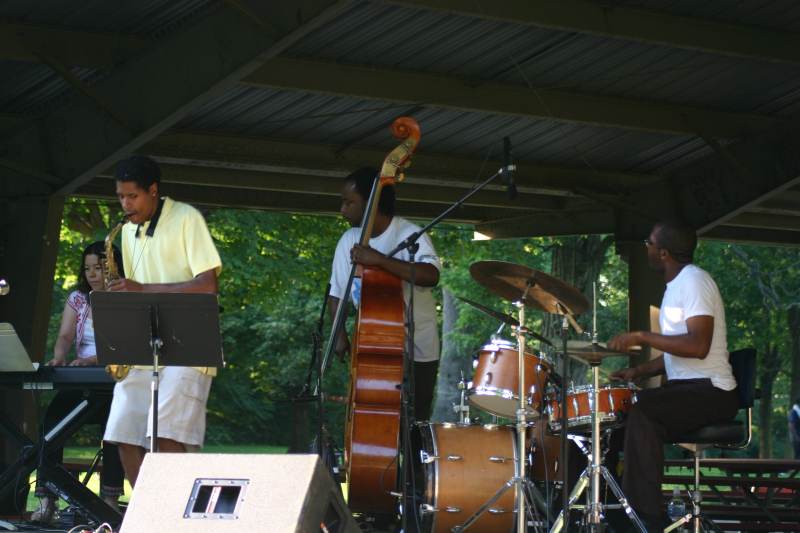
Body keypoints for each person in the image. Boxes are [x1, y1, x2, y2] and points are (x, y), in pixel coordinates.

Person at [607, 221, 738, 528]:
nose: (646, 247)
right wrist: (639, 371)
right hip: (689, 389)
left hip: (713, 392)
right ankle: (613, 509)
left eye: (649, 243)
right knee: (618, 415)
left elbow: (698, 345)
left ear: (662, 252)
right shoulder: (676, 287)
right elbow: (679, 351)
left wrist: (642, 336)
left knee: (645, 413)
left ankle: (645, 519)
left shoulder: (694, 282)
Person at [103, 155, 222, 487]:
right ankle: (148, 516)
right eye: (120, 196)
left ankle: (181, 519)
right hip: (144, 346)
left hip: (190, 343)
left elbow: (208, 285)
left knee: (166, 437)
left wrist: (142, 290)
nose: (125, 204)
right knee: (124, 434)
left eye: (132, 196)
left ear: (153, 191)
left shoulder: (187, 219)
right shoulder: (126, 232)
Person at [328, 167, 441, 421]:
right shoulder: (349, 239)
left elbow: (430, 275)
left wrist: (378, 260)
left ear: (371, 204)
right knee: (371, 418)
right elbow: (337, 294)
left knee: (414, 424)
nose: (342, 209)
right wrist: (340, 336)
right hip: (370, 345)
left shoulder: (409, 234)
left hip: (418, 348)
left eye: (349, 202)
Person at [31, 241, 125, 524]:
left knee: (114, 429)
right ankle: (47, 500)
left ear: (114, 268)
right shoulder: (78, 298)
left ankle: (109, 502)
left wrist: (91, 360)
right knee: (52, 423)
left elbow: (120, 344)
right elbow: (65, 336)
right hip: (82, 382)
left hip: (115, 382)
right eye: (87, 269)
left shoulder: (126, 297)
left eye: (99, 267)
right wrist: (60, 358)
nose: (92, 274)